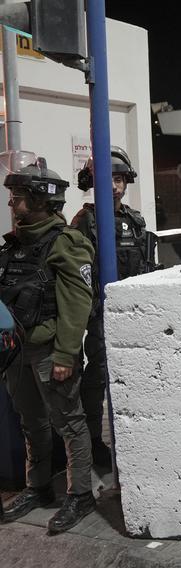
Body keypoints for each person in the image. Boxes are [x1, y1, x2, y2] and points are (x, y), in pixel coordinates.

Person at [0, 152, 96, 534]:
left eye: (19, 196)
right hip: (17, 355)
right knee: (31, 423)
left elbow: (78, 304)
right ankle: (38, 486)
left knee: (70, 424)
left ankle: (81, 494)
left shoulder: (66, 243)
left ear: (41, 199)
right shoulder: (13, 246)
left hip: (51, 352)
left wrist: (66, 354)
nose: (12, 203)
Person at [71, 146, 151, 467]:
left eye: (120, 179)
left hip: (132, 311)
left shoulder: (134, 220)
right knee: (99, 373)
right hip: (100, 313)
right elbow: (80, 271)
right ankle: (93, 440)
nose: (115, 186)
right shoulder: (85, 221)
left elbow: (144, 262)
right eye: (109, 179)